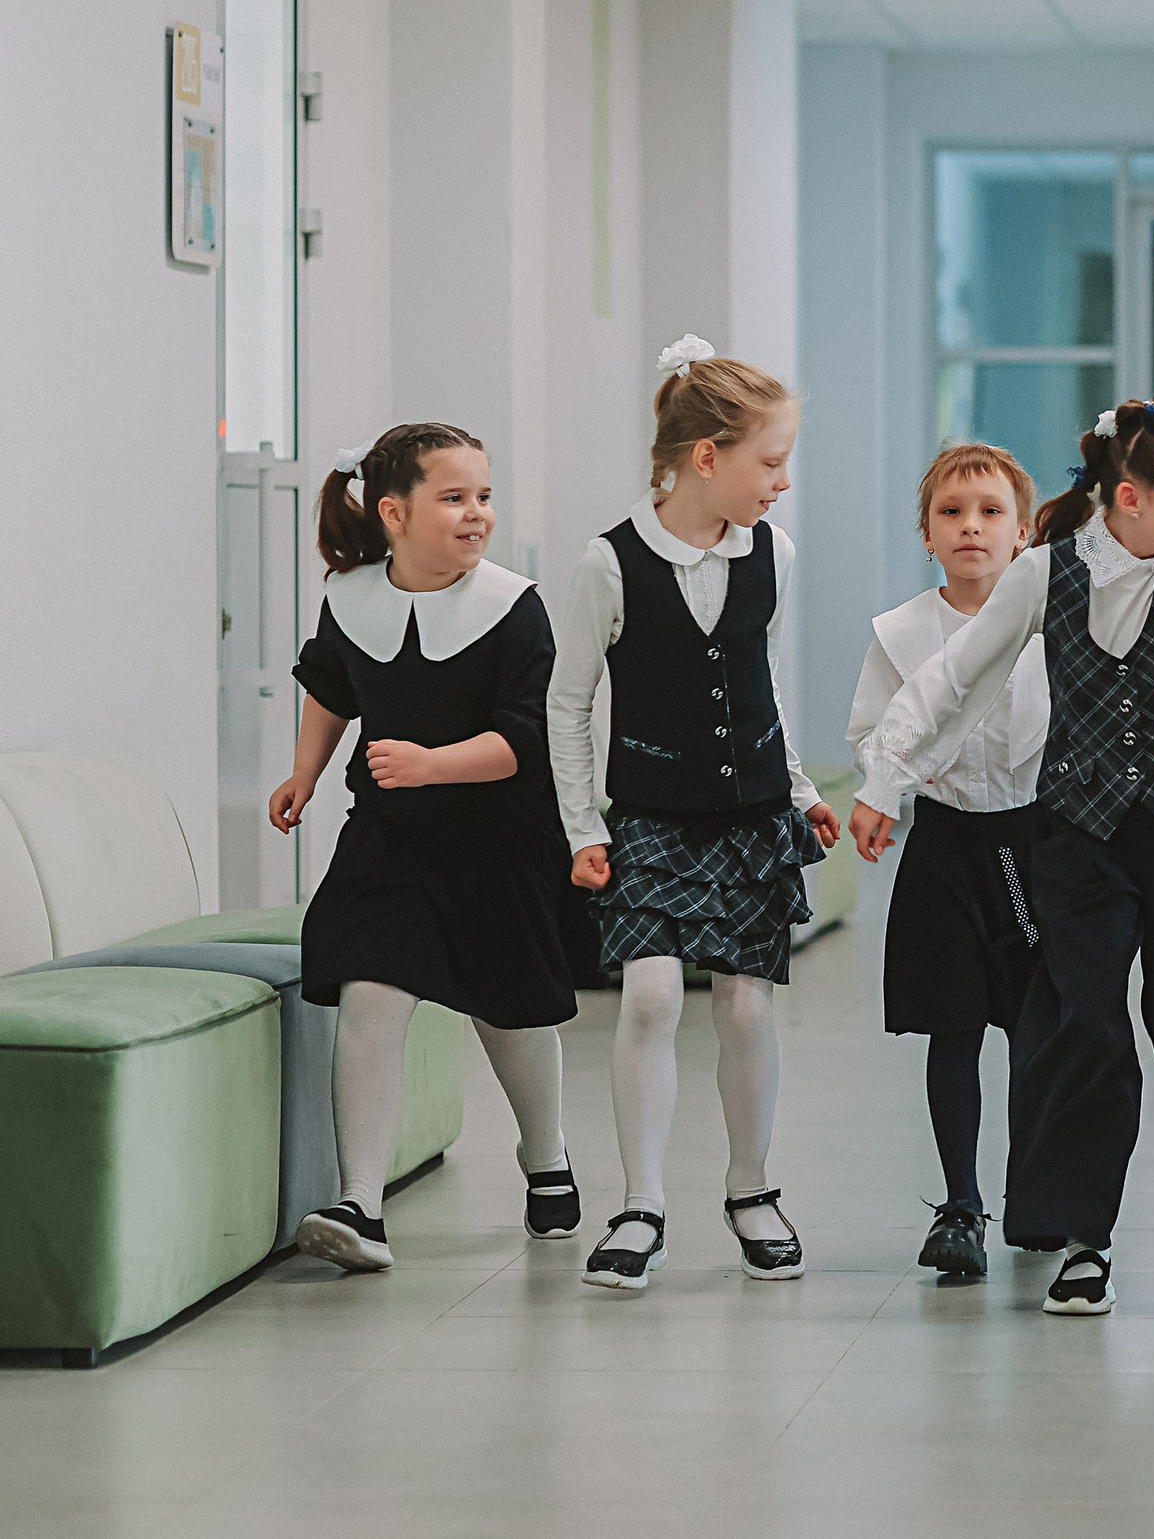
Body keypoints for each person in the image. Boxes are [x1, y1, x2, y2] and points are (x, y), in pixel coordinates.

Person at [846, 386, 1154, 1317]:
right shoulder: (1045, 572)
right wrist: (886, 780)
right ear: (1131, 498)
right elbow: (952, 680)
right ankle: (1087, 1238)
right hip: (1080, 831)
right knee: (1083, 1016)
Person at [548, 335, 842, 1292]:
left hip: (753, 811)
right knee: (650, 995)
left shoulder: (774, 554)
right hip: (649, 815)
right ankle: (640, 1202)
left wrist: (799, 791)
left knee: (748, 1005)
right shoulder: (610, 562)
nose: (783, 482)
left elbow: (762, 687)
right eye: (771, 461)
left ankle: (751, 1187)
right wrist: (583, 830)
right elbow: (569, 702)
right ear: (705, 457)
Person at [270, 423, 588, 1273]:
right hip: (392, 841)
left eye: (484, 495)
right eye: (455, 497)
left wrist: (429, 763)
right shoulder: (350, 598)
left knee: (507, 1013)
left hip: (499, 841)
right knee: (372, 995)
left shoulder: (515, 606)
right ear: (394, 513)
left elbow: (527, 737)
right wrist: (306, 771)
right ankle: (361, 1203)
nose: (477, 513)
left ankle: (546, 1152)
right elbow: (330, 688)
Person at [846, 443, 1050, 1279]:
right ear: (927, 533)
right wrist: (890, 785)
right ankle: (961, 1203)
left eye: (991, 511)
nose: (971, 527)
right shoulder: (900, 634)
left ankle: (1040, 1195)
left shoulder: (1051, 624)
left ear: (1024, 532)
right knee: (955, 1028)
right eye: (952, 513)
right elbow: (871, 731)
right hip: (947, 847)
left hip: (1035, 843)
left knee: (1040, 1031)